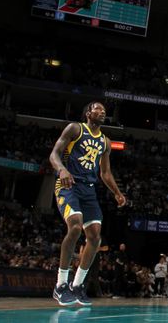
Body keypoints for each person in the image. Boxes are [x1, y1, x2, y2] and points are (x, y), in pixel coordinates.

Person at [49, 101, 126, 306]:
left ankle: (77, 285)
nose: (102, 112)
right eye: (98, 109)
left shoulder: (105, 141)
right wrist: (61, 170)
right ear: (88, 113)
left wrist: (117, 193)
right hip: (69, 184)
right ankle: (61, 285)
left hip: (89, 190)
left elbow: (105, 173)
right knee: (75, 226)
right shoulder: (75, 128)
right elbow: (54, 154)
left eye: (104, 111)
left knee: (95, 237)